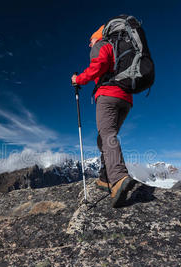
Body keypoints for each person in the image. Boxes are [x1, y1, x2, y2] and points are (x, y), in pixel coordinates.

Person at [71, 25, 136, 207]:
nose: (89, 45)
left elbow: (96, 67)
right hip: (126, 99)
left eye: (89, 41)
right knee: (104, 138)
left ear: (96, 37)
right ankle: (105, 177)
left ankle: (118, 178)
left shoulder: (102, 45)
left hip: (109, 95)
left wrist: (78, 80)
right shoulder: (122, 48)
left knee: (107, 136)